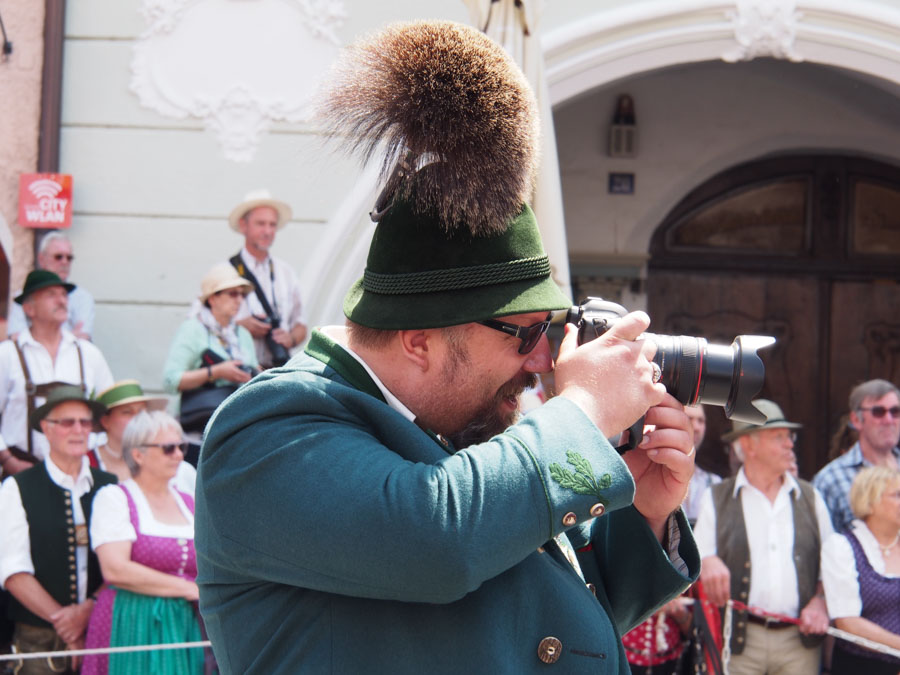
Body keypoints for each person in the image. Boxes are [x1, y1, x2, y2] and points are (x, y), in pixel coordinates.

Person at [195, 21, 699, 674]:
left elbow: (545, 622)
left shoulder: (461, 427)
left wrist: (644, 511)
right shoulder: (267, 430)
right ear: (420, 341)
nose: (545, 359)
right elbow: (438, 541)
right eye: (528, 333)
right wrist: (583, 413)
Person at [694, 399, 833, 674]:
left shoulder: (810, 498)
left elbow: (833, 568)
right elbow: (696, 557)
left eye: (789, 436)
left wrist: (821, 601)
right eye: (778, 437)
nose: (790, 444)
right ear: (749, 445)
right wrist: (707, 560)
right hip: (740, 641)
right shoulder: (716, 498)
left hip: (799, 642)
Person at [0, 385, 115, 674]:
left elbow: (120, 560)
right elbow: (12, 571)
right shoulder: (18, 487)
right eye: (66, 422)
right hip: (38, 639)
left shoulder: (109, 485)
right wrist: (67, 623)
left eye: (85, 422)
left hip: (99, 632)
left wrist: (85, 614)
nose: (78, 430)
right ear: (46, 428)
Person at [81, 410, 203, 675]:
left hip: (185, 622)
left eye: (181, 447)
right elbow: (115, 569)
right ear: (138, 454)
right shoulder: (114, 498)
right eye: (168, 448)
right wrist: (188, 588)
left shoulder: (189, 502)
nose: (179, 455)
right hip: (132, 620)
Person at [0, 270, 114, 475]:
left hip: (80, 473)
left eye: (64, 295)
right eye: (51, 295)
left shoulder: (88, 353)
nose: (62, 301)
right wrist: (7, 459)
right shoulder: (7, 354)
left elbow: (110, 413)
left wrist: (95, 454)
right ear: (29, 308)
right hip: (22, 470)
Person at [162, 264, 258, 450]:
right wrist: (216, 372)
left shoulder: (242, 334)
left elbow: (254, 374)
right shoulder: (192, 329)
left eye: (242, 294)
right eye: (232, 294)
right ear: (213, 298)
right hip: (199, 431)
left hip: (236, 428)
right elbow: (170, 380)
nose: (239, 300)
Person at [821, 466, 900, 674]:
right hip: (862, 667)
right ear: (870, 502)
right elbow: (847, 621)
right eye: (897, 495)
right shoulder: (842, 547)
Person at [228, 189, 307, 368]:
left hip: (277, 369)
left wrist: (290, 338)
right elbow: (199, 326)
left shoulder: (286, 273)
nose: (268, 231)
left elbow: (301, 325)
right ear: (243, 226)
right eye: (261, 224)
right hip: (237, 372)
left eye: (272, 225)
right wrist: (240, 327)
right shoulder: (225, 272)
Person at [814, 379, 900, 533]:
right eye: (878, 412)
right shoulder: (830, 479)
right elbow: (820, 545)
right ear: (856, 420)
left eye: (895, 412)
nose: (889, 420)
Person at [92, 380, 196, 494]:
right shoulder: (87, 462)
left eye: (142, 412)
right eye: (127, 412)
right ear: (105, 421)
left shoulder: (181, 469)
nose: (138, 418)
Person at [7, 232, 95, 341]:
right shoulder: (23, 296)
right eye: (58, 257)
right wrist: (70, 337)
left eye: (69, 257)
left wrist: (34, 338)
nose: (64, 262)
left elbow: (83, 338)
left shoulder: (83, 297)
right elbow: (15, 338)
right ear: (42, 259)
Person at [681, 404, 721, 526]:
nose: (697, 427)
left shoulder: (715, 483)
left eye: (701, 421)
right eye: (689, 418)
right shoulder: (650, 476)